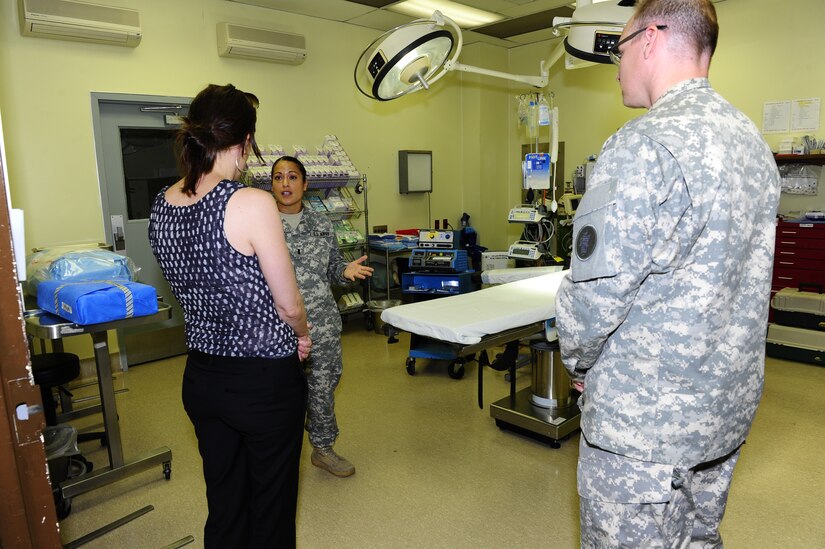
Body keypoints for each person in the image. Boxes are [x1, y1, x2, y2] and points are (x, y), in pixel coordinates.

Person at [554, 1, 781, 546]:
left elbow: (595, 296)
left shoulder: (642, 145)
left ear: (651, 39)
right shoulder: (752, 143)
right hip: (721, 413)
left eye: (619, 47)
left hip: (642, 427)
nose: (615, 63)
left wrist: (577, 361)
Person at [148, 84, 311, 548]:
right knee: (271, 505)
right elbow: (289, 304)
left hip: (201, 378)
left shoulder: (162, 204)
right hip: (262, 382)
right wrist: (301, 334)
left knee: (225, 501)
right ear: (243, 142)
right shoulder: (251, 203)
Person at [270, 155, 373, 477]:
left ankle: (323, 449)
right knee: (276, 392)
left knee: (323, 386)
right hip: (277, 325)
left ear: (305, 184)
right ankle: (275, 454)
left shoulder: (321, 224)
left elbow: (331, 269)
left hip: (322, 324)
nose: (285, 184)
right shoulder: (262, 224)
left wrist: (346, 270)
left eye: (292, 177)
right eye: (278, 177)